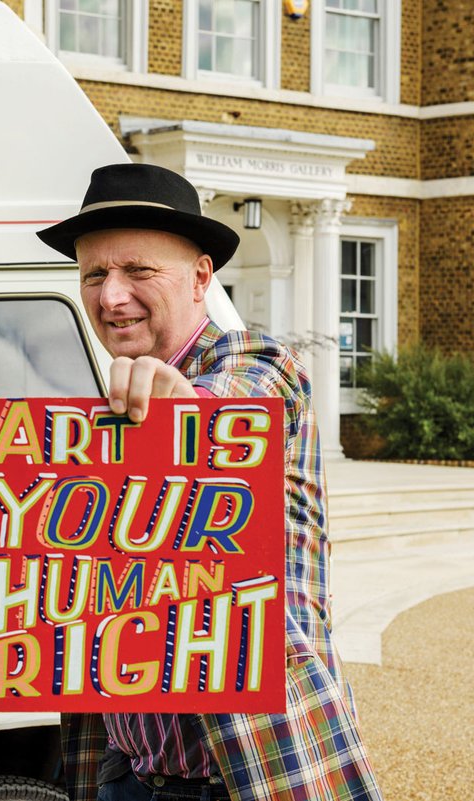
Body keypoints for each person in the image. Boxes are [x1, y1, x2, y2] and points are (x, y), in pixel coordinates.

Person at [36, 163, 383, 801]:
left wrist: (185, 413)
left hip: (245, 773)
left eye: (138, 270)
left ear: (201, 278)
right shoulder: (99, 412)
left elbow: (235, 401)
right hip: (127, 769)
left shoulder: (258, 364)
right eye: (94, 275)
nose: (111, 296)